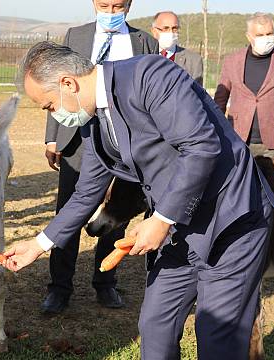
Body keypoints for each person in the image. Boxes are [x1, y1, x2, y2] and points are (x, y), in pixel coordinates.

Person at [4, 41, 274, 360]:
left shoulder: (151, 76)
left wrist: (161, 219)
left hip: (230, 222)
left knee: (217, 336)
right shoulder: (94, 123)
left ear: (68, 83)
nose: (54, 114)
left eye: (49, 105)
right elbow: (86, 193)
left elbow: (202, 147)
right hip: (179, 232)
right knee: (155, 326)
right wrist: (38, 244)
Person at [42, 0, 158, 314]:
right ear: (94, 3)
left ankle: (105, 283)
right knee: (69, 208)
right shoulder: (75, 36)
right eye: (104, 4)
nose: (110, 10)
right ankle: (60, 287)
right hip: (79, 138)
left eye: (117, 5)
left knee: (115, 213)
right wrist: (52, 137)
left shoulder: (145, 42)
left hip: (125, 145)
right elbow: (59, 86)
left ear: (129, 5)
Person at [215, 12, 274, 159]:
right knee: (241, 181)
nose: (265, 38)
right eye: (260, 35)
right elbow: (220, 100)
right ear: (249, 36)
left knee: (273, 182)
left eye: (269, 34)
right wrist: (219, 132)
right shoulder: (232, 61)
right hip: (239, 139)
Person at [151, 11, 203, 84]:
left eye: (174, 28)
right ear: (154, 31)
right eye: (166, 28)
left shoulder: (194, 60)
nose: (171, 32)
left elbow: (196, 93)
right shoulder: (144, 55)